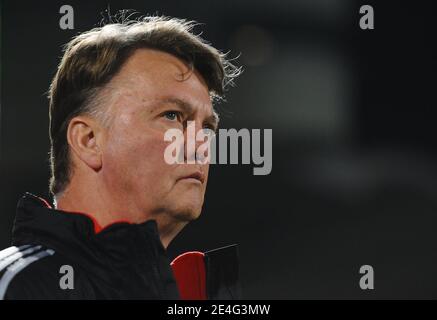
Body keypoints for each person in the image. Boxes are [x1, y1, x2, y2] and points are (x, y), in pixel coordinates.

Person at [0, 14, 241, 299]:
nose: (199, 144)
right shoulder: (18, 287)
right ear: (88, 140)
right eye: (172, 116)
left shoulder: (200, 296)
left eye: (207, 127)